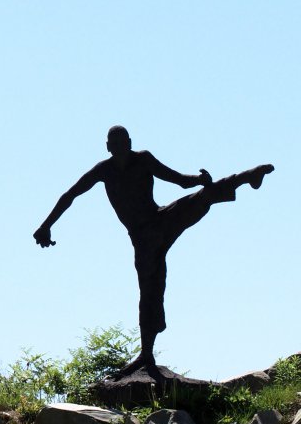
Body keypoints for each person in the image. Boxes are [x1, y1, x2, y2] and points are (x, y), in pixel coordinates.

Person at [35, 125, 274, 375]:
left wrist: (199, 180)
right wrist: (46, 225)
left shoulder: (144, 159)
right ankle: (146, 354)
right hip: (142, 239)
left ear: (129, 142)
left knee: (203, 197)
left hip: (160, 220)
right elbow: (70, 195)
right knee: (150, 290)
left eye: (122, 143)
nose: (119, 149)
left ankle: (248, 176)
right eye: (113, 145)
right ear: (108, 147)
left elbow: (180, 182)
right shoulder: (103, 171)